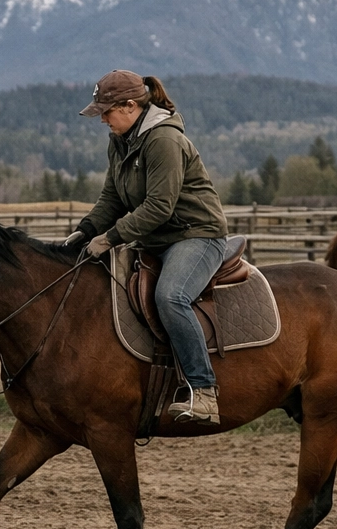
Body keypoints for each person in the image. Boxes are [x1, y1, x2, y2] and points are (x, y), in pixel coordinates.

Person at [65, 70, 230, 423]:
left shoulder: (164, 141)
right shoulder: (121, 141)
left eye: (107, 112)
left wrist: (109, 238)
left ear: (130, 106)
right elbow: (112, 197)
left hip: (197, 235)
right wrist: (84, 231)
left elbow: (159, 206)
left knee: (170, 297)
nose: (104, 120)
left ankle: (203, 390)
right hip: (156, 238)